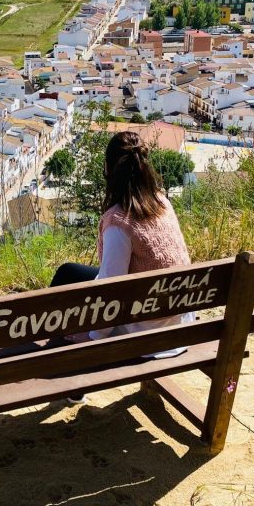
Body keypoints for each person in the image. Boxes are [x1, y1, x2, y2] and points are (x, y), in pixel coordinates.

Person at [51, 130, 192, 356]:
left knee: (66, 285)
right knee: (69, 272)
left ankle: (62, 375)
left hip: (143, 328)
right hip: (175, 318)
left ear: (108, 169)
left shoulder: (120, 222)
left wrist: (91, 337)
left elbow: (111, 292)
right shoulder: (162, 203)